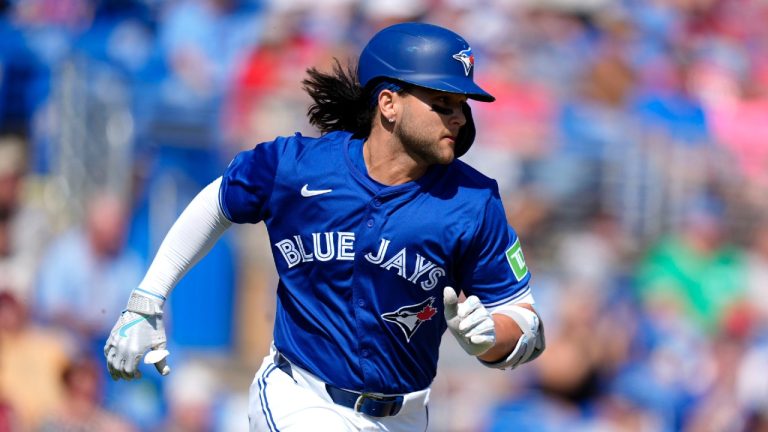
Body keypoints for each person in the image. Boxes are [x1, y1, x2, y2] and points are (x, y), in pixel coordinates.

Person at [104, 22, 545, 431]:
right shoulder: (297, 167)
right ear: (388, 103)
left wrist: (490, 338)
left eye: (462, 107)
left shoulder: (474, 201)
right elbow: (217, 203)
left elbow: (528, 325)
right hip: (299, 397)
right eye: (442, 103)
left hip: (405, 416)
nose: (459, 119)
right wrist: (147, 299)